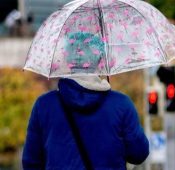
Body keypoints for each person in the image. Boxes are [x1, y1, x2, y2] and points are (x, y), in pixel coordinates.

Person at [22, 32, 149, 169]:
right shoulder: (121, 104)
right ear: (100, 59)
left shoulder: (44, 105)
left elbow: (31, 162)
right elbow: (139, 154)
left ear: (67, 60)